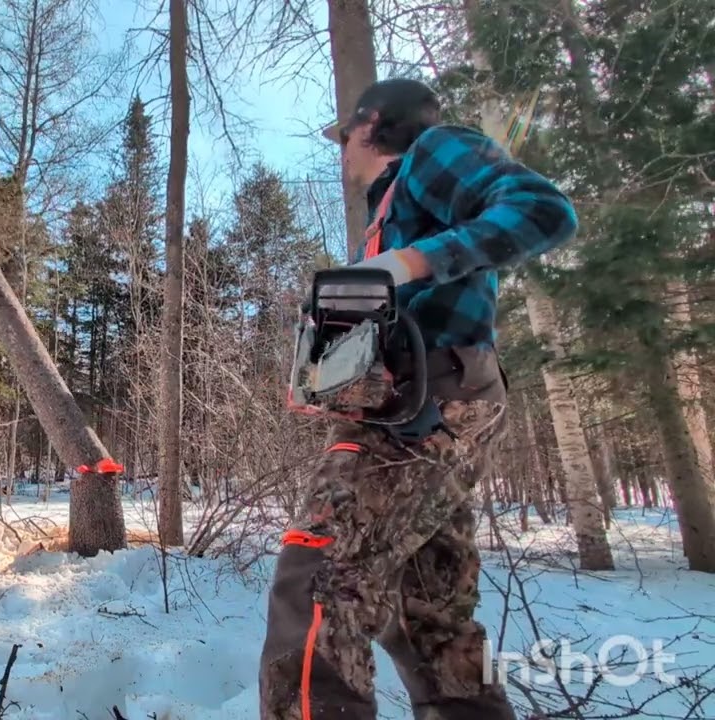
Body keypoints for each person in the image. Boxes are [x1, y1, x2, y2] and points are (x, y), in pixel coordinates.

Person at [259, 78, 578, 720]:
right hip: (418, 405)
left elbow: (543, 210)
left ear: (372, 124)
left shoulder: (433, 152)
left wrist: (411, 262)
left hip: (430, 405)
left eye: (344, 135)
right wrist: (325, 379)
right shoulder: (385, 214)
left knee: (319, 576)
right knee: (427, 606)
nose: (341, 151)